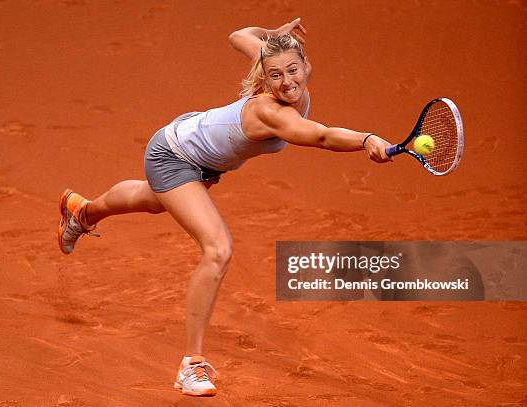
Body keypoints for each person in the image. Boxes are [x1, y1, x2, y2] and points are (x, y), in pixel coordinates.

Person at [57, 18, 392, 397]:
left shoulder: (277, 67)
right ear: (265, 77)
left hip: (194, 146)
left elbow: (239, 37)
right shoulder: (272, 111)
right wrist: (367, 139)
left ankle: (81, 212)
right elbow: (323, 136)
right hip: (173, 154)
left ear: (306, 65)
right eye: (276, 74)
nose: (286, 82)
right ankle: (191, 367)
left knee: (153, 202)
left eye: (293, 71)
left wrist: (270, 38)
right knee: (217, 250)